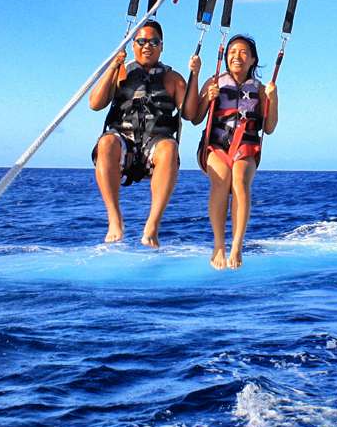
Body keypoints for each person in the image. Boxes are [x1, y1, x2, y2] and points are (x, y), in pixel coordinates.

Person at [89, 20, 200, 248]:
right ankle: (114, 219)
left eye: (153, 41)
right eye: (141, 41)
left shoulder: (173, 78)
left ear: (161, 46)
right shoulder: (121, 73)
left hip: (156, 145)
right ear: (133, 45)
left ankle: (152, 226)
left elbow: (189, 114)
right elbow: (95, 103)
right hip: (124, 143)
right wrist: (112, 67)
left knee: (170, 147)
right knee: (107, 142)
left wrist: (195, 76)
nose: (147, 46)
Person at [187, 34, 278, 270]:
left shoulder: (260, 89)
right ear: (226, 58)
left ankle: (236, 245)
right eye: (232, 52)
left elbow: (268, 128)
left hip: (246, 146)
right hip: (215, 145)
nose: (237, 56)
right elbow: (196, 119)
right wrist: (208, 97)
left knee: (239, 180)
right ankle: (219, 244)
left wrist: (273, 99)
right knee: (221, 180)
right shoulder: (214, 82)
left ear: (253, 60)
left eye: (243, 52)